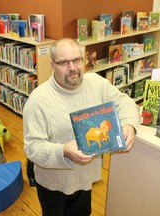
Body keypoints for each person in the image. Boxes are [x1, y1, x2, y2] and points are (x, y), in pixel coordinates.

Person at [23, 38, 140, 216]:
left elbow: (124, 101)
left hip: (85, 178)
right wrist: (63, 151)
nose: (73, 68)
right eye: (64, 62)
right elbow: (33, 148)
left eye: (77, 60)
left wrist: (129, 124)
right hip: (53, 183)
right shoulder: (38, 100)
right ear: (52, 64)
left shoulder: (96, 83)